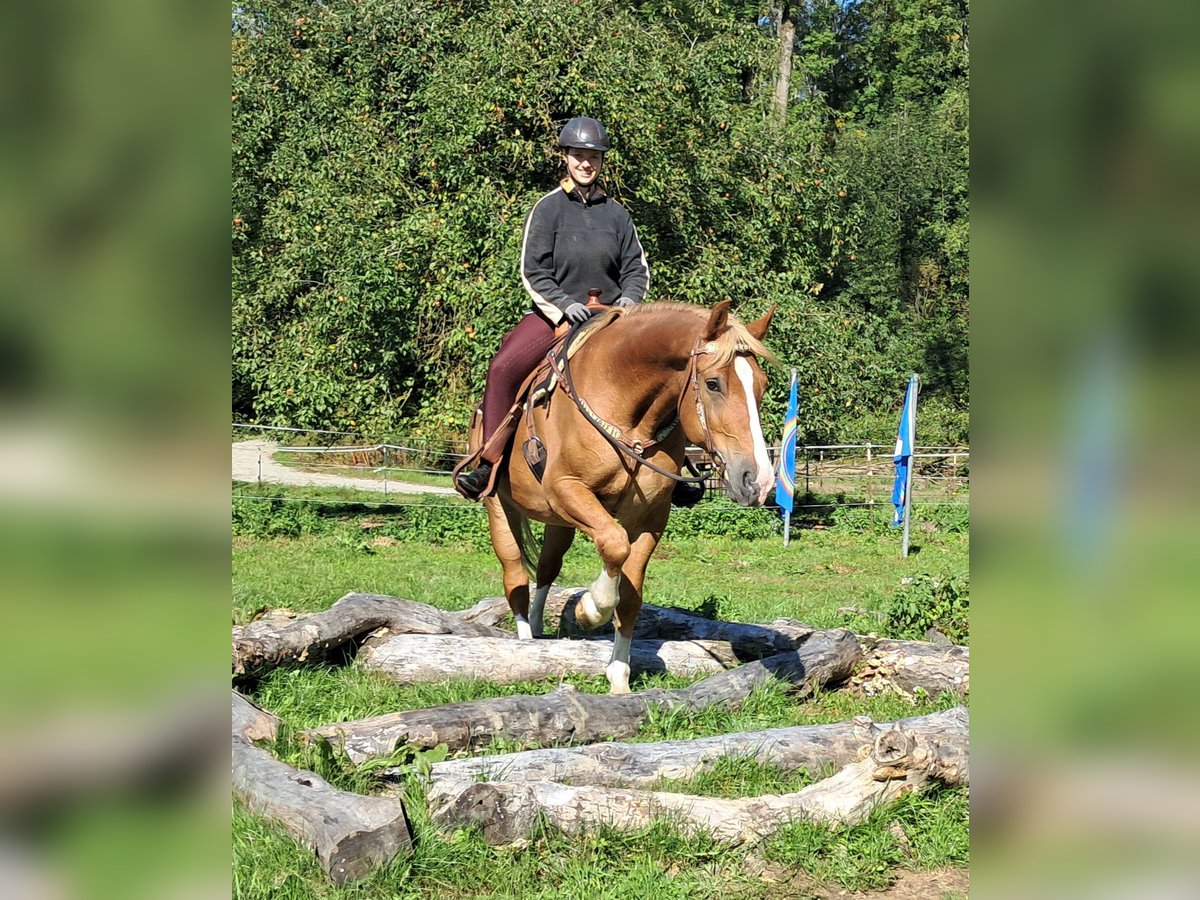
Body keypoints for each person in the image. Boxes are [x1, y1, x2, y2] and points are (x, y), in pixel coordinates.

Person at [455, 116, 650, 500]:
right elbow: (533, 270)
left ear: (601, 161)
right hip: (555, 317)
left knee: (661, 366)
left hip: (612, 320)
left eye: (593, 157)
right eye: (578, 155)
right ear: (565, 157)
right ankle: (488, 463)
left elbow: (636, 269)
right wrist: (563, 305)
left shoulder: (618, 214)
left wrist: (629, 301)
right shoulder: (547, 209)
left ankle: (675, 471)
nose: (585, 163)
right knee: (503, 368)